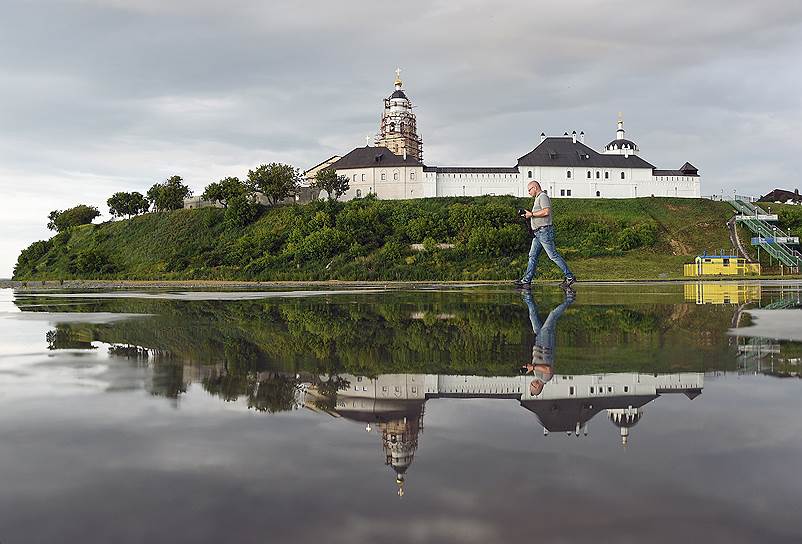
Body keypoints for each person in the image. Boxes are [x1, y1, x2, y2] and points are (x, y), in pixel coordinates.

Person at [515, 180, 576, 289]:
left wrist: (532, 214)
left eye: (529, 190)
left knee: (553, 255)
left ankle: (570, 277)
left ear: (535, 187)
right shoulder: (537, 199)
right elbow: (539, 213)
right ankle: (526, 280)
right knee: (532, 256)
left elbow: (546, 211)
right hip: (538, 233)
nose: (529, 192)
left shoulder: (543, 196)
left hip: (544, 232)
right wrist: (529, 215)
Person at [520, 289, 574, 396]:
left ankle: (527, 295)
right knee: (552, 315)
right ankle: (570, 298)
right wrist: (533, 367)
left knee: (532, 316)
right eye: (532, 385)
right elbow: (548, 369)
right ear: (537, 386)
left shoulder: (536, 374)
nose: (531, 383)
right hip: (546, 344)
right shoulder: (546, 378)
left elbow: (536, 363)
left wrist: (529, 366)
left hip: (538, 342)